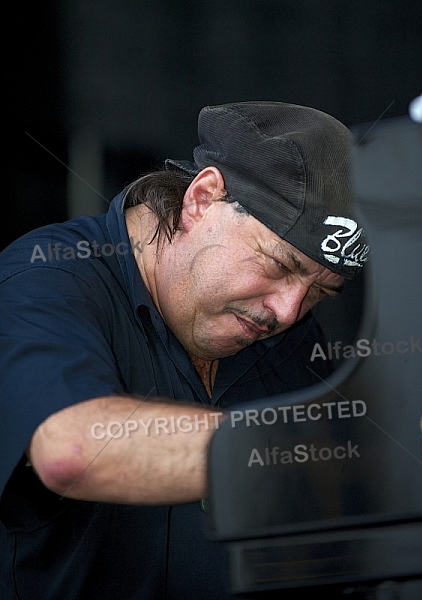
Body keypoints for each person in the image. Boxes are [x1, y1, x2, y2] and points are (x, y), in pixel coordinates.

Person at [0, 101, 369, 599]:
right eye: (279, 265)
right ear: (201, 198)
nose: (286, 311)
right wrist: (307, 446)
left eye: (320, 293)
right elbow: (72, 449)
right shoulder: (43, 279)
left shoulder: (287, 334)